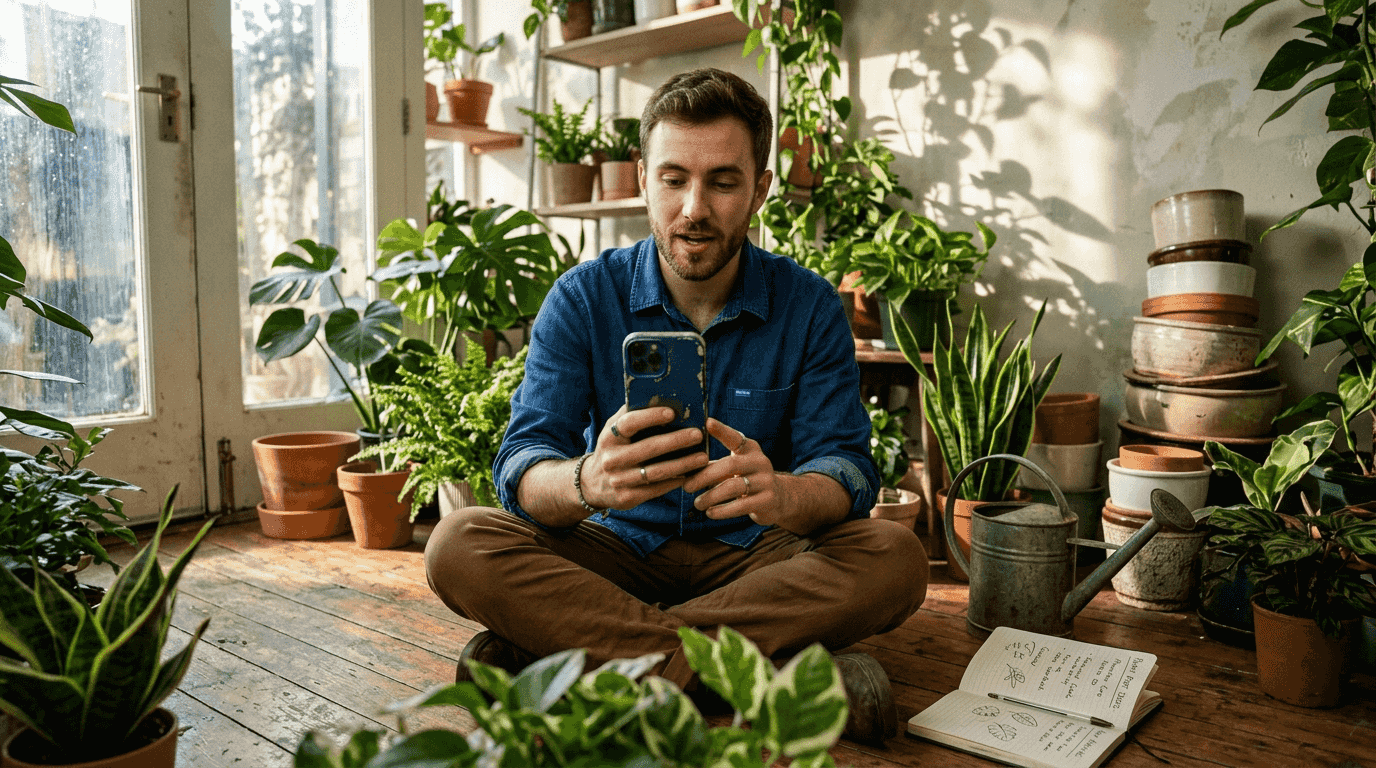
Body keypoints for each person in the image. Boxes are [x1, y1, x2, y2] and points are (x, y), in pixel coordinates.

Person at [424, 67, 928, 744]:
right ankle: (765, 674)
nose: (695, 207)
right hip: (612, 547)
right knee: (457, 543)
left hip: (754, 556)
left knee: (895, 558)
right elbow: (521, 465)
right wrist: (585, 480)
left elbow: (846, 470)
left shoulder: (808, 305)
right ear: (641, 180)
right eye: (674, 179)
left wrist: (785, 494)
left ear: (760, 190)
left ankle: (569, 662)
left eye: (722, 181)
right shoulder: (582, 297)